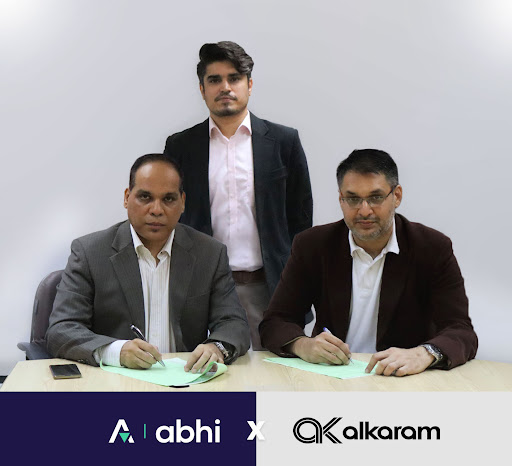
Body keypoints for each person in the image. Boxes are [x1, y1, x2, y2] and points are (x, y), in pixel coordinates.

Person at [259, 149, 478, 376]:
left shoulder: (432, 248)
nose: (364, 210)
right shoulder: (313, 245)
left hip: (402, 379)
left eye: (376, 197)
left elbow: (461, 331)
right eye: (353, 199)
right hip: (332, 376)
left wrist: (423, 354)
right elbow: (275, 321)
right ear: (341, 199)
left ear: (397, 196)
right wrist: (303, 345)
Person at [163, 41, 313, 350]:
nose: (225, 87)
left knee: (270, 373)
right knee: (198, 370)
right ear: (202, 89)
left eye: (234, 78)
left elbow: (300, 220)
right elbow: (169, 215)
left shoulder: (283, 141)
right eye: (214, 80)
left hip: (266, 287)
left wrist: (295, 283)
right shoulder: (181, 146)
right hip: (198, 287)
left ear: (249, 85)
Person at [46, 154, 250, 372]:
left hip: (186, 380)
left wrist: (216, 347)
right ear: (127, 197)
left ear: (182, 202)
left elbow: (234, 323)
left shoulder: (209, 253)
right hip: (115, 380)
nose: (156, 210)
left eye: (168, 199)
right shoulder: (90, 252)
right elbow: (61, 330)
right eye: (145, 197)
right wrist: (116, 352)